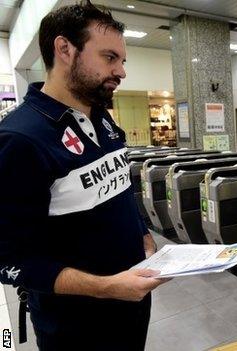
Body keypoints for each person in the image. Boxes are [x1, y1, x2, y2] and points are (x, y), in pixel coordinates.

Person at [0, 1, 168, 350]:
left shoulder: (102, 118)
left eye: (123, 61)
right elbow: (10, 261)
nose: (121, 71)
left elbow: (120, 188)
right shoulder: (21, 140)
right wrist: (108, 287)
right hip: (76, 330)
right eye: (110, 58)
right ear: (65, 49)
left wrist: (145, 237)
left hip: (131, 310)